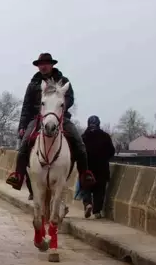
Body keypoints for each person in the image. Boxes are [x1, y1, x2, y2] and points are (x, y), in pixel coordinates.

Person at [6, 52, 95, 191]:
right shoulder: (33, 84)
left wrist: (59, 107)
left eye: (46, 64)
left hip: (60, 117)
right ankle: (18, 175)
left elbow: (70, 99)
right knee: (24, 145)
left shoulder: (63, 81)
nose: (43, 67)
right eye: (41, 65)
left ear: (52, 65)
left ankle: (85, 174)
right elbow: (26, 106)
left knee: (79, 143)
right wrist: (22, 126)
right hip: (37, 118)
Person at [81, 115, 115, 218]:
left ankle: (88, 204)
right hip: (102, 168)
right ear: (98, 124)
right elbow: (111, 152)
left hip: (87, 168)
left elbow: (80, 152)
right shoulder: (105, 136)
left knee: (86, 188)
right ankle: (97, 212)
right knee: (99, 190)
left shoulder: (84, 137)